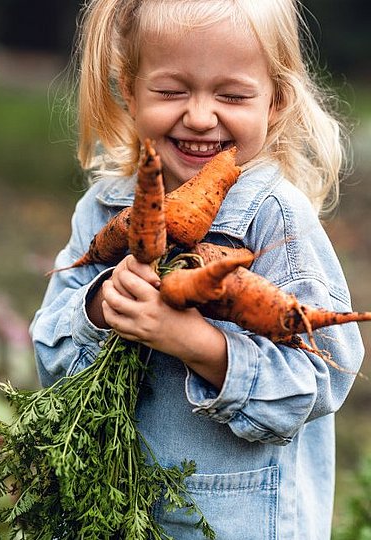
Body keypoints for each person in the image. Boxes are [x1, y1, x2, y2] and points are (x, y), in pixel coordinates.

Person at [29, 0, 363, 538]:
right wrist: (98, 307)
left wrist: (195, 342)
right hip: (111, 512)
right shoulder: (103, 209)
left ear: (275, 101)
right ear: (129, 89)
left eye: (231, 95)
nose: (201, 116)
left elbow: (324, 378)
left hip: (236, 523)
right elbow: (50, 356)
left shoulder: (274, 217)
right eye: (170, 91)